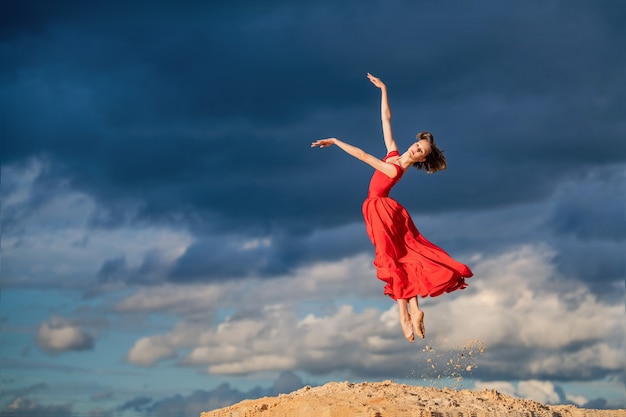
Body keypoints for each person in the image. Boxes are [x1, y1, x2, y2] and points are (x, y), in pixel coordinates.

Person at [311, 73, 473, 342]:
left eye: (419, 151)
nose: (414, 149)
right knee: (400, 259)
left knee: (390, 261)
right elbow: (386, 119)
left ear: (421, 159)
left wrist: (336, 141)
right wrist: (384, 89)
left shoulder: (392, 166)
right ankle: (413, 312)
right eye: (417, 145)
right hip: (387, 211)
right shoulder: (395, 155)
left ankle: (406, 318)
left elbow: (362, 155)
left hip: (380, 211)